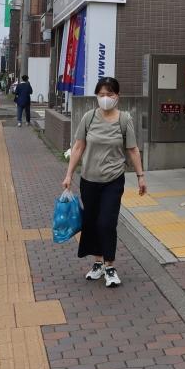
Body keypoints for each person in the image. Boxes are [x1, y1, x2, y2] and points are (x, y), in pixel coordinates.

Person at [61, 77, 146, 288]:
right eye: (101, 94)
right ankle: (98, 262)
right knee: (91, 222)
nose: (105, 98)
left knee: (106, 222)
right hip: (89, 180)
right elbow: (78, 147)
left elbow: (133, 149)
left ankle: (110, 266)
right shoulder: (89, 118)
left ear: (118, 96)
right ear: (96, 96)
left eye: (110, 94)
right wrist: (69, 174)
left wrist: (140, 176)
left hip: (113, 180)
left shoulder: (124, 119)